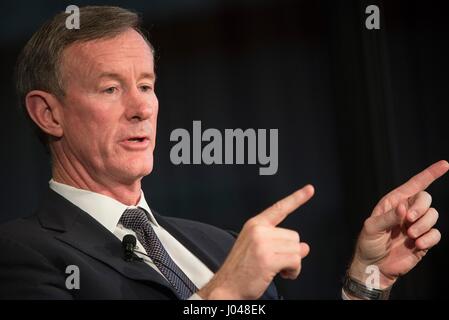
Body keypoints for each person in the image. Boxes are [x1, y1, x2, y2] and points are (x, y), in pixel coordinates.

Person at [0, 6, 447, 300]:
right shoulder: (22, 254)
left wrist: (367, 278)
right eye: (110, 88)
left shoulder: (220, 244)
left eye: (146, 86)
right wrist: (226, 292)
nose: (140, 108)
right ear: (48, 113)